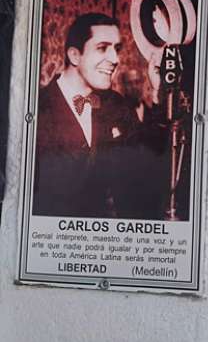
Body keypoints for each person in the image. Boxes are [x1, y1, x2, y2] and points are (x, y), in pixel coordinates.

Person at [33, 13, 169, 219]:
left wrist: (157, 90)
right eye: (102, 48)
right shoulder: (37, 108)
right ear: (74, 55)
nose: (115, 60)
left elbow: (148, 155)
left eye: (116, 49)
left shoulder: (116, 104)